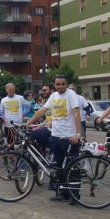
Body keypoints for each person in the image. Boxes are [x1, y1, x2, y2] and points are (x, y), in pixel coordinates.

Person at [27, 74, 82, 203]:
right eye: (58, 84)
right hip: (55, 136)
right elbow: (42, 110)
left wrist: (78, 134)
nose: (60, 86)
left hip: (69, 137)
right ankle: (63, 193)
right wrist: (30, 121)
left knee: (72, 168)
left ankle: (75, 196)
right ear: (54, 85)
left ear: (66, 84)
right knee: (60, 167)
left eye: (63, 84)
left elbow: (76, 114)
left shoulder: (71, 95)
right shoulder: (53, 96)